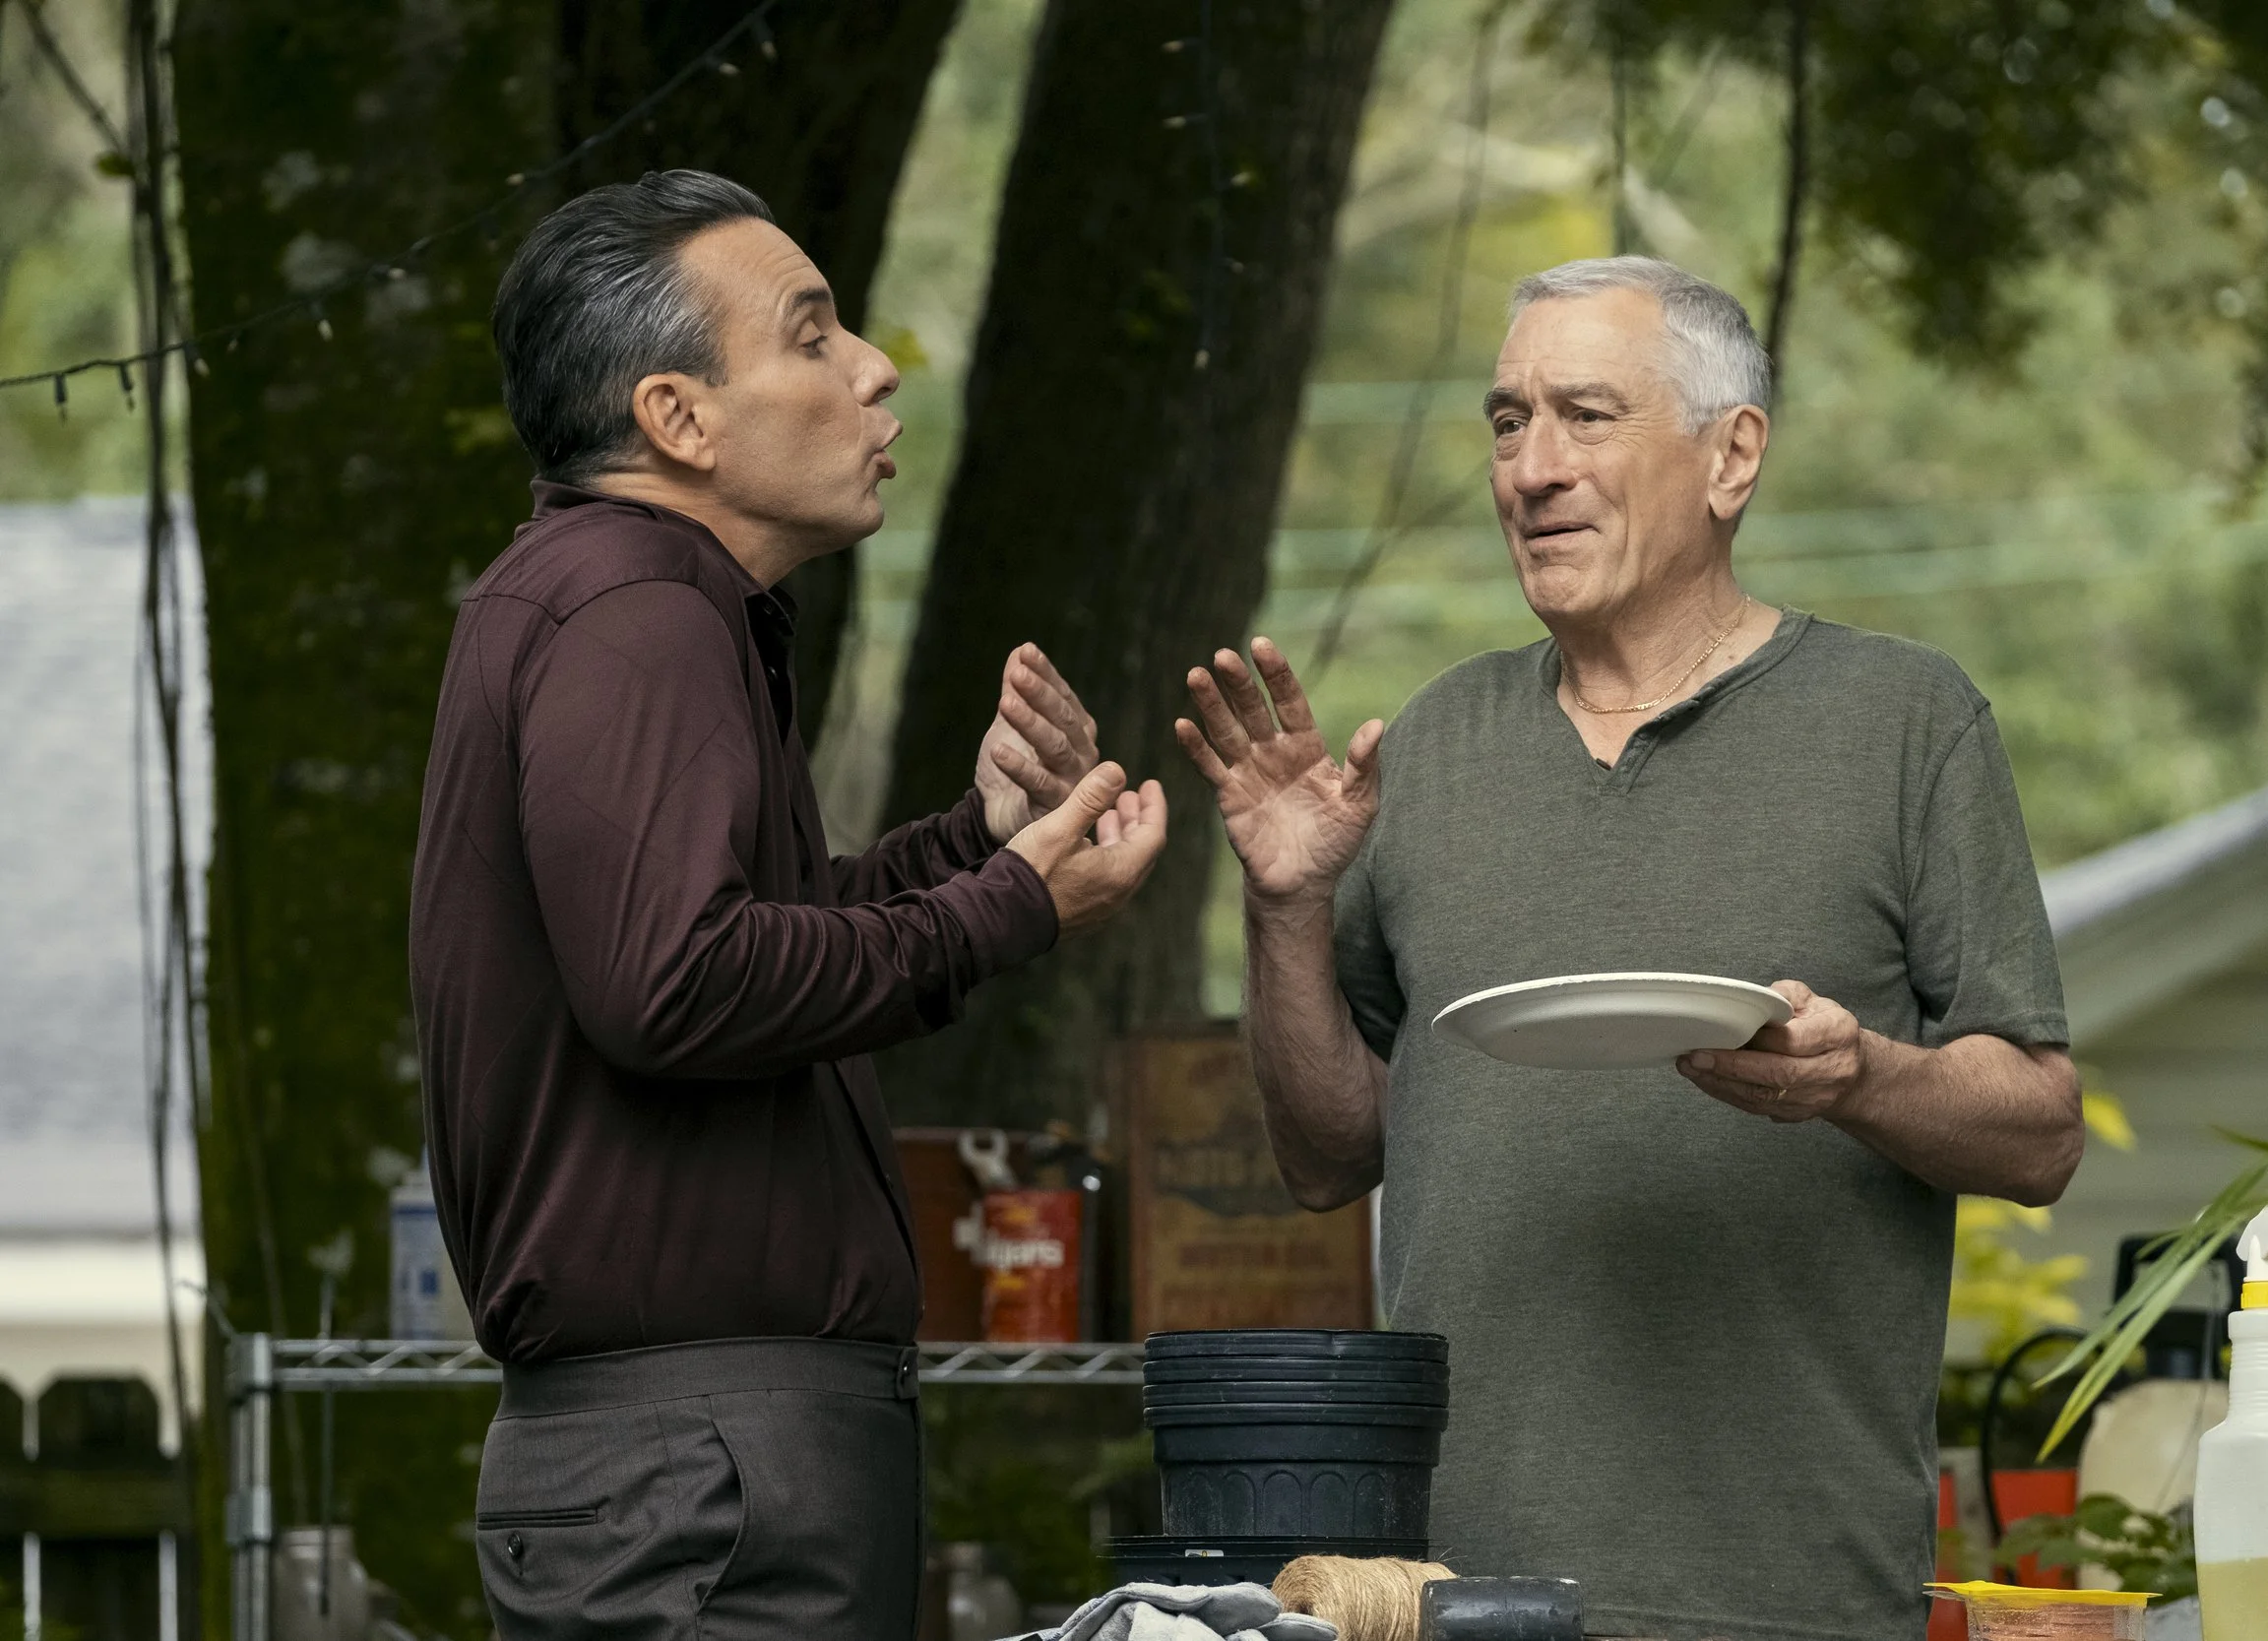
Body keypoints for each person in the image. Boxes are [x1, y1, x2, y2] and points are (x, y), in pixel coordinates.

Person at [1177, 256, 2081, 1641]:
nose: (1531, 468)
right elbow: (1327, 1153)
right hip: (1455, 1606)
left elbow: (2043, 1134)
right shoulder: (1433, 743)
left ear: (1732, 456)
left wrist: (1862, 1077)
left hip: (1792, 1604)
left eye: (1586, 416)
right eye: (1507, 422)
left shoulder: (1907, 724)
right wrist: (1287, 906)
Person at [409, 170, 1167, 1641]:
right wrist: (1007, 908)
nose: (874, 368)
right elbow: (676, 981)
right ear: (677, 419)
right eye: (811, 336)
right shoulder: (636, 608)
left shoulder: (616, 598)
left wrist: (979, 845)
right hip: (699, 1476)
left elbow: (757, 932)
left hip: (696, 1465)